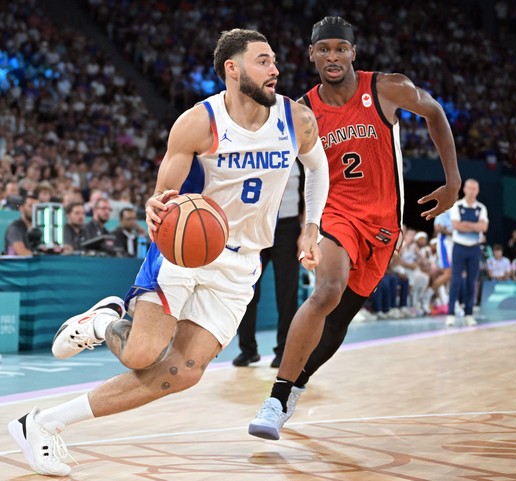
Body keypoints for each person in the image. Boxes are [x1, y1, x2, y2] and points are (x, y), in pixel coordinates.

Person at [7, 28, 329, 477]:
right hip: (185, 249)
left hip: (241, 263)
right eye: (263, 60)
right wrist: (155, 204)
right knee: (142, 354)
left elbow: (318, 167)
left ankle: (41, 423)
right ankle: (104, 321)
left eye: (274, 60)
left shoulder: (297, 119)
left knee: (183, 371)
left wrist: (311, 227)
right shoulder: (198, 122)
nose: (275, 69)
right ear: (232, 69)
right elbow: (164, 196)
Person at [248, 16, 461, 440]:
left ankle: (297, 385)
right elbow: (279, 166)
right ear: (311, 54)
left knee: (341, 317)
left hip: (382, 222)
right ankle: (276, 397)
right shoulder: (303, 111)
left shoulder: (386, 88)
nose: (332, 56)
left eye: (339, 49)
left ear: (353, 53)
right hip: (335, 213)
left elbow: (435, 112)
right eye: (323, 49)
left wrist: (452, 181)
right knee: (328, 290)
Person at [233, 160, 303, 368]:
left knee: (287, 293)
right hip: (255, 225)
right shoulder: (256, 150)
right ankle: (247, 350)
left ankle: (283, 351)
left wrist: (306, 231)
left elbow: (309, 193)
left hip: (289, 228)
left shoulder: (300, 155)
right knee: (247, 289)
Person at [446, 179, 488, 328]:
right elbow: (457, 226)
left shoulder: (481, 208)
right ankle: (450, 314)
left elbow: (484, 226)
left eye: (474, 189)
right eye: (469, 188)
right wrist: (475, 226)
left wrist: (467, 225)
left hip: (474, 248)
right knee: (456, 280)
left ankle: (469, 314)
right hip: (459, 247)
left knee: (472, 281)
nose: (471, 191)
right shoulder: (457, 206)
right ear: (464, 189)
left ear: (478, 191)